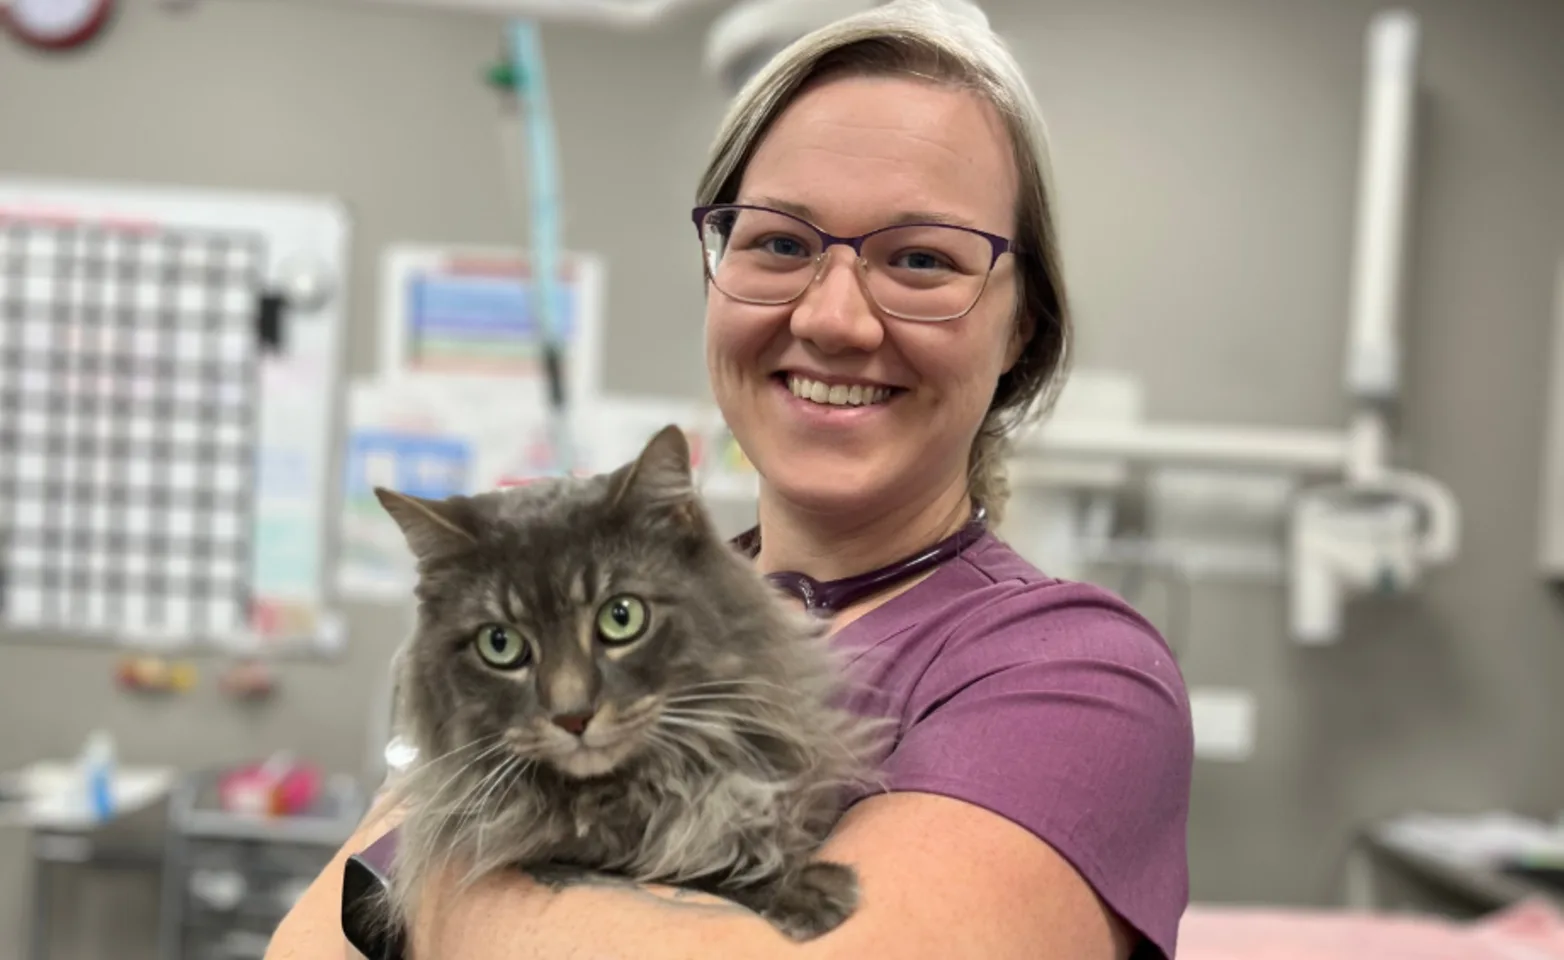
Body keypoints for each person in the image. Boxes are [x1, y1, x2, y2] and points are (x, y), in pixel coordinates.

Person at [265, 1, 1192, 957]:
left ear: (1022, 324)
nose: (836, 319)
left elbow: (370, 897)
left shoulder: (1075, 676)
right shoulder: (634, 588)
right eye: (781, 244)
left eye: (921, 259)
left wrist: (430, 886)